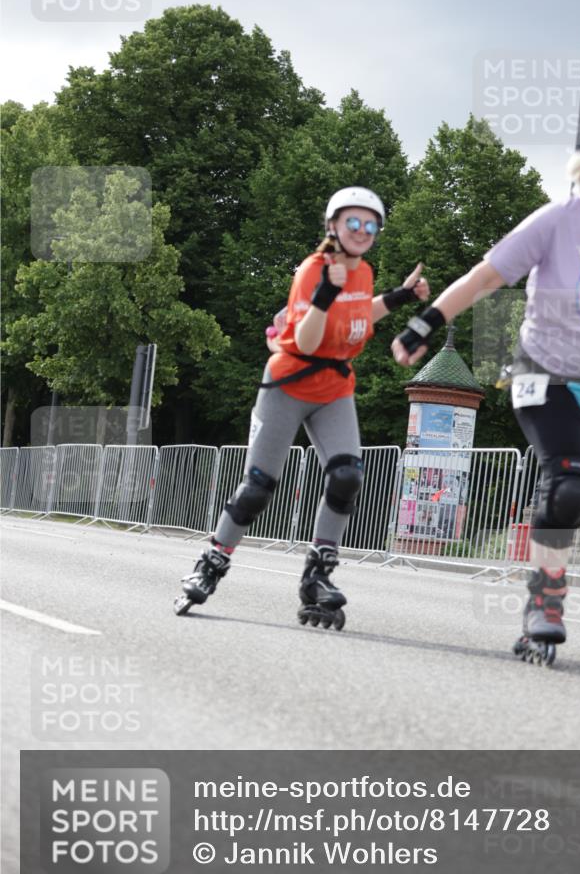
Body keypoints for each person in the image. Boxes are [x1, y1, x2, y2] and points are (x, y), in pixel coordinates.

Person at [391, 128, 580, 663]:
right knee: (566, 486)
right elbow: (485, 277)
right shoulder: (554, 221)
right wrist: (427, 321)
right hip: (544, 374)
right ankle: (544, 604)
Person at [174, 186, 429, 627]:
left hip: (333, 385)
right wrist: (326, 294)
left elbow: (357, 314)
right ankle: (211, 563)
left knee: (348, 475)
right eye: (353, 222)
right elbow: (309, 338)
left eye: (370, 225)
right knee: (258, 488)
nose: (362, 231)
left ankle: (317, 577)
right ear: (333, 226)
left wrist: (400, 296)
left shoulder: (363, 271)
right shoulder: (313, 271)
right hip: (289, 381)